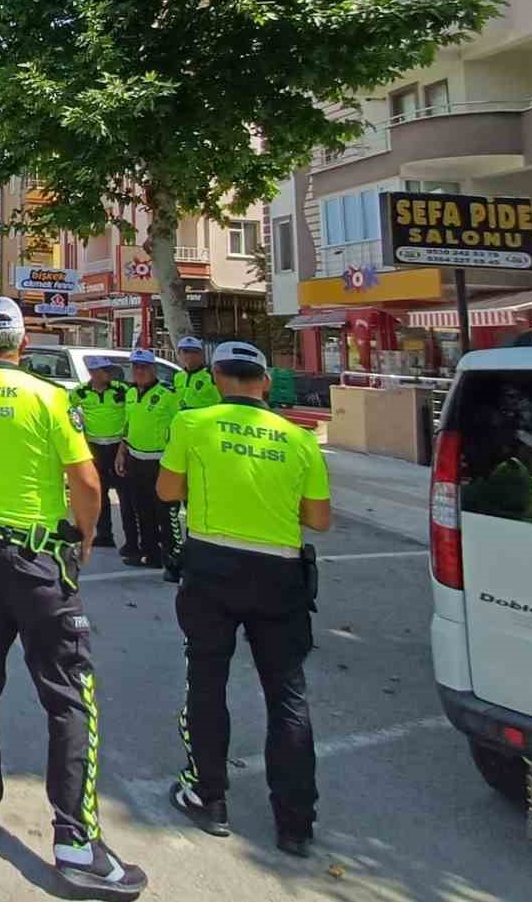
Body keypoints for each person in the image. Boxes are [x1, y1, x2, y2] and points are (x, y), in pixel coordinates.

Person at [0, 297, 147, 901]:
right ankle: (75, 843)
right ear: (22, 340)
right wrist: (87, 532)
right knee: (69, 696)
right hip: (37, 559)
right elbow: (86, 480)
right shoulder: (49, 396)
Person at [155, 341, 331, 858]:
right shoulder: (299, 439)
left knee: (207, 682)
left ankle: (209, 798)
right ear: (266, 382)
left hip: (211, 568)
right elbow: (319, 519)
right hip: (279, 573)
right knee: (287, 695)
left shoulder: (194, 425)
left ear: (214, 379)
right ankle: (295, 822)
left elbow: (167, 491)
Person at [115, 350, 181, 574]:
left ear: (153, 369)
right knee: (142, 509)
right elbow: (128, 425)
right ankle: (150, 553)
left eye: (144, 367)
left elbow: (179, 427)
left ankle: (172, 557)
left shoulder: (168, 394)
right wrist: (121, 452)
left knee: (165, 512)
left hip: (160, 461)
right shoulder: (131, 393)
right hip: (135, 459)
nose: (139, 371)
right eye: (135, 367)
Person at [71, 356, 136, 555]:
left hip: (118, 448)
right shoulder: (81, 391)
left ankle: (132, 540)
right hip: (95, 447)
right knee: (99, 492)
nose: (107, 374)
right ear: (92, 372)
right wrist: (77, 430)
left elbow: (134, 411)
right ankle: (105, 535)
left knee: (126, 495)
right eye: (102, 370)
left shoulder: (121, 390)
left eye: (108, 370)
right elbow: (66, 409)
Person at [173, 336, 223, 410]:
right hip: (181, 419)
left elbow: (221, 402)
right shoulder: (178, 376)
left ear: (201, 354)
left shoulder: (211, 376)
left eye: (194, 352)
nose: (190, 355)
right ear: (179, 354)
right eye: (185, 351)